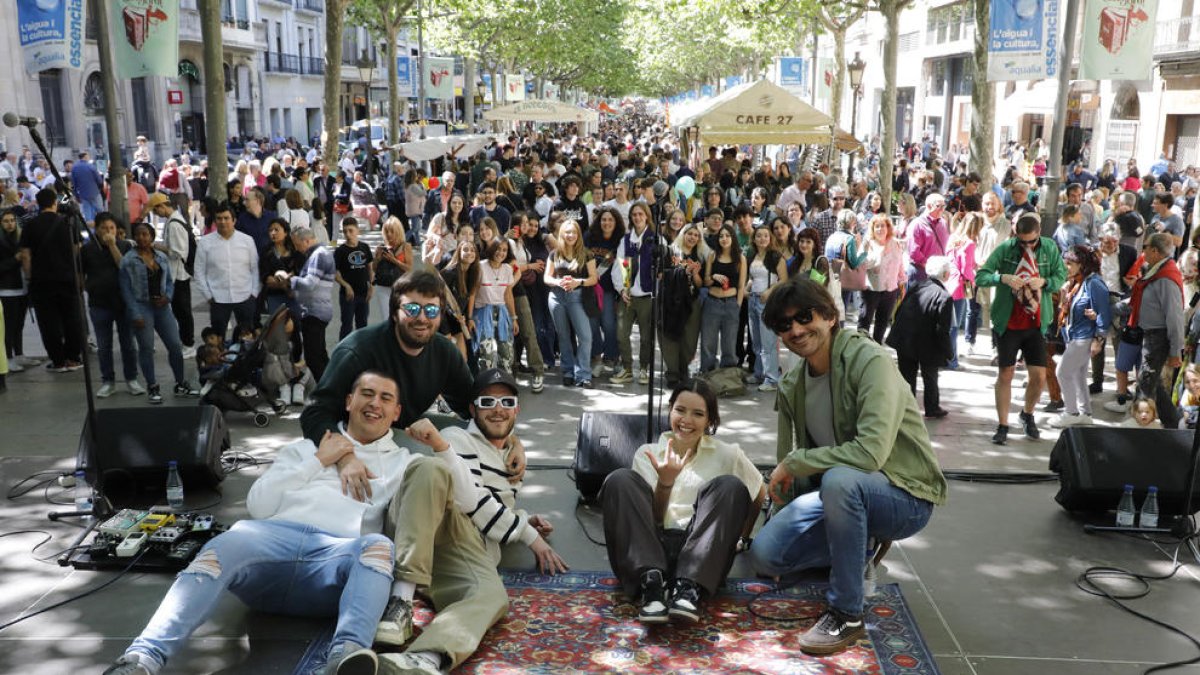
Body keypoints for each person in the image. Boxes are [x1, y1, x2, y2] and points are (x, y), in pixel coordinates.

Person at [101, 371, 412, 675]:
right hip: (270, 549)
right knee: (226, 543)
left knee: (379, 548)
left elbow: (462, 500)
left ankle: (346, 657)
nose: (375, 404)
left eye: (385, 398)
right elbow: (258, 506)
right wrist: (319, 460)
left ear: (396, 412)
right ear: (349, 401)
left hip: (333, 564)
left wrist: (442, 447)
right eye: (367, 394)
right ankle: (141, 659)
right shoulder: (306, 448)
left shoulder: (404, 461)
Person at [749, 278, 946, 655]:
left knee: (841, 480)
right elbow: (794, 466)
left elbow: (870, 454)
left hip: (905, 494)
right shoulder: (793, 383)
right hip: (837, 495)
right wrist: (777, 503)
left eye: (804, 317)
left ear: (829, 315)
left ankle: (846, 612)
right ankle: (858, 548)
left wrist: (796, 462)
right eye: (784, 326)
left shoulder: (869, 360)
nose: (796, 330)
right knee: (766, 555)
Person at [371, 368, 566, 673]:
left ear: (517, 408)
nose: (498, 410)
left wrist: (521, 517)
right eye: (487, 402)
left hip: (464, 549)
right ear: (473, 409)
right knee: (431, 468)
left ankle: (422, 659)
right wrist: (528, 534)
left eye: (506, 403)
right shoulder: (454, 437)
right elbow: (469, 498)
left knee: (492, 596)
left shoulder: (511, 455)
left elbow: (491, 504)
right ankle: (401, 603)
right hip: (426, 526)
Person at [601, 380, 764, 624]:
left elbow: (759, 491)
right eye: (680, 410)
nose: (686, 420)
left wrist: (742, 538)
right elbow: (652, 519)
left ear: (710, 421)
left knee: (731, 486)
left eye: (698, 414)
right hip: (650, 548)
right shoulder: (647, 453)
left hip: (702, 555)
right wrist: (665, 483)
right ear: (670, 410)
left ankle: (689, 589)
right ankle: (652, 587)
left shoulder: (728, 453)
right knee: (619, 480)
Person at [300, 269, 476, 442]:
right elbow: (316, 412)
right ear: (394, 313)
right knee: (427, 458)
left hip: (406, 427)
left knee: (466, 436)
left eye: (431, 310)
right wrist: (343, 456)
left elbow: (472, 405)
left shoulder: (444, 352)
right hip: (358, 437)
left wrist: (502, 438)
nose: (422, 318)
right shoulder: (358, 350)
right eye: (412, 309)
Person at [976, 213, 1067, 445]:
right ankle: (1003, 424)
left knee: (1038, 376)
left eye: (1031, 242)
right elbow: (981, 276)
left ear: (1038, 235)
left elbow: (1061, 275)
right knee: (1005, 374)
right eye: (1022, 241)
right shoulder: (1007, 248)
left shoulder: (1049, 248)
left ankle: (1027, 414)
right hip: (1008, 322)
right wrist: (1002, 278)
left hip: (1036, 322)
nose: (1027, 246)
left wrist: (1045, 282)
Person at [119, 222, 199, 405]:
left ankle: (180, 383)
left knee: (175, 345)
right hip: (142, 307)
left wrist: (168, 297)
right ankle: (152, 386)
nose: (141, 238)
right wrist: (135, 314)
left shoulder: (161, 257)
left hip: (162, 307)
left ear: (152, 237)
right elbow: (126, 291)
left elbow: (170, 282)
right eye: (138, 234)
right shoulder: (128, 260)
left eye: (145, 234)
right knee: (146, 348)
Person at [19, 188, 85, 372]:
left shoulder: (30, 225)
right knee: (71, 318)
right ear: (54, 202)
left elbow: (25, 255)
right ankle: (73, 358)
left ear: (38, 204)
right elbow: (78, 246)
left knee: (48, 322)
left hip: (41, 281)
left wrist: (29, 276)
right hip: (66, 277)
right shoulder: (67, 223)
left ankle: (58, 361)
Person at [1050, 245, 1111, 428]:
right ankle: (1085, 413)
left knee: (1062, 372)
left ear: (1082, 264)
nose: (1066, 266)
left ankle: (1071, 412)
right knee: (1078, 375)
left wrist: (1098, 340)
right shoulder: (1077, 282)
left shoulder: (1094, 283)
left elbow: (1104, 314)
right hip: (1075, 336)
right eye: (1065, 263)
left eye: (1070, 263)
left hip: (1084, 338)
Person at [81, 212, 141, 398]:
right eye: (104, 228)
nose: (108, 232)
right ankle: (108, 381)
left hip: (123, 304)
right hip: (99, 304)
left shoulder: (125, 246)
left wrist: (113, 245)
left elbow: (125, 268)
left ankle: (131, 379)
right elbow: (80, 273)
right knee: (104, 345)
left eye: (112, 228)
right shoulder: (88, 249)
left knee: (128, 344)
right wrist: (89, 288)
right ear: (96, 230)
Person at [886, 256, 954, 418]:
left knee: (907, 375)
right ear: (945, 275)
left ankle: (906, 409)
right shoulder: (944, 297)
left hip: (906, 338)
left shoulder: (916, 286)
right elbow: (942, 330)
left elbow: (901, 310)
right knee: (930, 376)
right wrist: (948, 352)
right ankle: (932, 407)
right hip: (927, 343)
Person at [194, 202, 260, 340]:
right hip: (218, 298)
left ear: (234, 220)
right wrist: (208, 296)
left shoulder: (247, 241)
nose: (223, 222)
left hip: (245, 296)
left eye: (226, 218)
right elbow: (199, 272)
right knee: (218, 339)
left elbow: (255, 268)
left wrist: (254, 292)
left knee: (247, 338)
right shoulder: (205, 242)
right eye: (219, 218)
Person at [545, 218, 598, 387]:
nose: (570, 235)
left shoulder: (586, 253)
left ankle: (583, 374)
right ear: (562, 234)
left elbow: (593, 279)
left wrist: (578, 282)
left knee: (585, 336)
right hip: (556, 296)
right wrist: (558, 282)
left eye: (574, 232)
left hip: (577, 296)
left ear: (578, 234)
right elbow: (546, 277)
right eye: (567, 232)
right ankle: (568, 371)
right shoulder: (554, 253)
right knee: (564, 336)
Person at [611, 202, 659, 385]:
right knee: (621, 334)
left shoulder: (655, 238)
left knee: (646, 336)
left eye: (640, 214)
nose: (637, 218)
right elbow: (619, 265)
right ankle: (627, 368)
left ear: (647, 216)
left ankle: (645, 368)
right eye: (634, 215)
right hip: (628, 294)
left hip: (647, 295)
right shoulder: (626, 240)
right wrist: (622, 289)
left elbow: (661, 268)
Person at [281, 227, 336, 384]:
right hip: (316, 311)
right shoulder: (319, 254)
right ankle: (331, 386)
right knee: (320, 355)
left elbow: (309, 284)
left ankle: (326, 391)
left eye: (297, 244)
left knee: (313, 358)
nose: (296, 249)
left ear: (306, 241)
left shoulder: (319, 255)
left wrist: (289, 280)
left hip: (315, 312)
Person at [147, 192, 196, 356]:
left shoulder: (174, 223)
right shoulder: (173, 220)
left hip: (179, 275)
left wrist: (157, 247)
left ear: (161, 206)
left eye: (155, 211)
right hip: (177, 274)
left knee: (182, 312)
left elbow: (178, 252)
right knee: (180, 311)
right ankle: (186, 343)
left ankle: (188, 344)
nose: (156, 215)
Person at [744, 225, 788, 391]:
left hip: (766, 302)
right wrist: (746, 289)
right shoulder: (752, 255)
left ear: (770, 239)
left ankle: (772, 379)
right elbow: (752, 277)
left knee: (768, 342)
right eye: (759, 236)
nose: (762, 238)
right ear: (754, 239)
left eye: (765, 236)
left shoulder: (775, 257)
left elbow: (783, 279)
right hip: (753, 300)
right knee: (756, 341)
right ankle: (759, 373)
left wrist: (769, 291)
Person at [700, 224, 746, 373]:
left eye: (727, 236)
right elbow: (705, 281)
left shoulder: (740, 258)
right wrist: (713, 276)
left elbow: (741, 286)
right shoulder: (712, 256)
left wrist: (737, 305)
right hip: (712, 302)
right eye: (721, 236)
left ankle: (728, 376)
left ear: (733, 238)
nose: (724, 239)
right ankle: (707, 372)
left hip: (731, 303)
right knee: (708, 343)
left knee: (729, 344)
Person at [859, 214, 906, 343]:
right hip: (871, 288)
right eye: (877, 226)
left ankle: (877, 347)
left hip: (890, 288)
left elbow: (900, 263)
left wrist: (902, 279)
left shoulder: (895, 243)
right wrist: (876, 257)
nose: (880, 229)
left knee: (883, 321)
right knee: (865, 320)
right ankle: (860, 346)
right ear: (872, 229)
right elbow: (860, 262)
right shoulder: (868, 242)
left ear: (888, 227)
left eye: (883, 226)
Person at [473, 238, 518, 372]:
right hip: (483, 313)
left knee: (507, 354)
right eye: (498, 249)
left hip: (503, 314)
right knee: (488, 354)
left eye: (504, 250)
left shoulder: (508, 269)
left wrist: (514, 318)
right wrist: (469, 318)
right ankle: (487, 388)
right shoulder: (480, 266)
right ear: (492, 249)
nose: (501, 253)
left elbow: (508, 294)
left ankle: (504, 387)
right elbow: (472, 293)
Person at [335, 219, 373, 340]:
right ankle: (343, 351)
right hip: (348, 295)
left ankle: (362, 351)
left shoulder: (365, 247)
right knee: (347, 325)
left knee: (362, 325)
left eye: (351, 230)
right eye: (345, 231)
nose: (348, 234)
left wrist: (371, 286)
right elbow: (334, 273)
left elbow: (370, 268)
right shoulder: (340, 251)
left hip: (363, 293)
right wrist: (346, 285)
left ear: (358, 231)